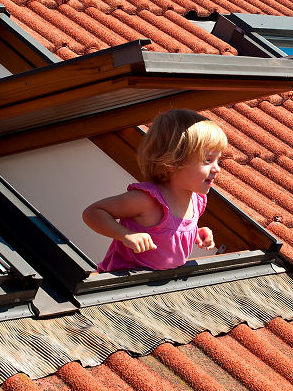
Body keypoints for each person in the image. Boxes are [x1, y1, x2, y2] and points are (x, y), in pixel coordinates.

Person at [83, 109, 226, 272]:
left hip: (155, 288)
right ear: (174, 161)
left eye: (218, 160)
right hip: (120, 286)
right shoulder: (147, 201)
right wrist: (125, 235)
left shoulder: (196, 200)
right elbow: (93, 213)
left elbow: (171, 234)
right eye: (208, 160)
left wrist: (196, 233)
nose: (217, 169)